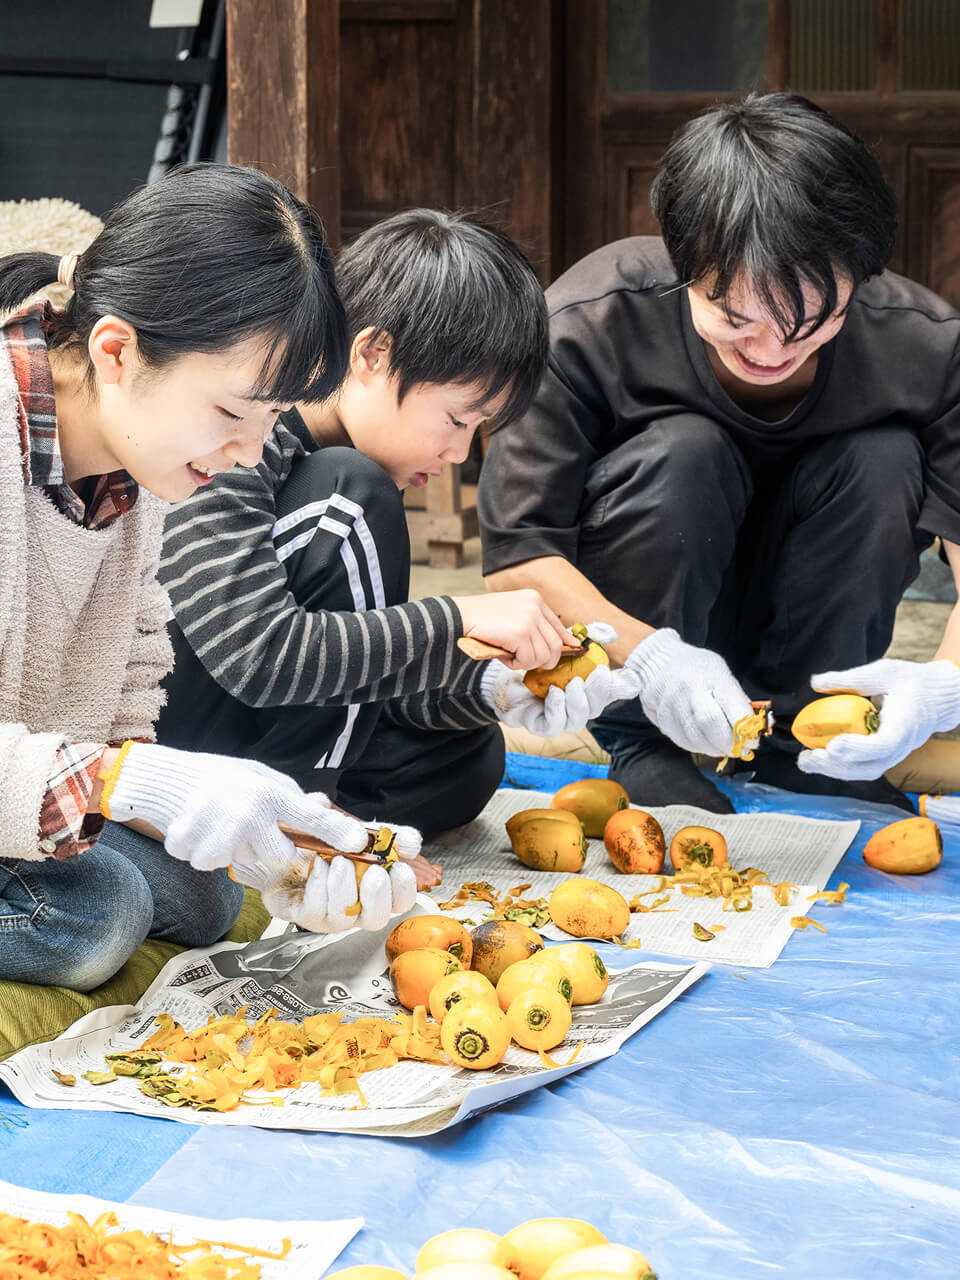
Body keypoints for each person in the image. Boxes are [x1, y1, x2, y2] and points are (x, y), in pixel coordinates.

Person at [0, 163, 421, 994]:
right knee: (98, 916)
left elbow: (121, 695)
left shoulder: (135, 472)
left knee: (205, 893)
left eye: (271, 421)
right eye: (233, 412)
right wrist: (128, 783)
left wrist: (273, 832)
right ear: (115, 350)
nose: (249, 453)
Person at [480, 92, 960, 815]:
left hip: (825, 625)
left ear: (859, 277)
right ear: (682, 260)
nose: (769, 352)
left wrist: (944, 683)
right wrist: (650, 658)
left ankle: (805, 753)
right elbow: (519, 553)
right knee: (684, 450)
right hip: (651, 630)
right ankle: (644, 745)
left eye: (807, 325)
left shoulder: (924, 344)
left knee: (883, 458)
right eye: (734, 321)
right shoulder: (589, 322)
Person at [156, 209, 639, 874]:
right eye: (455, 419)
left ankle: (309, 806)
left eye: (478, 429)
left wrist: (492, 683)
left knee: (469, 755)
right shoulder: (246, 431)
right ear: (371, 354)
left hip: (256, 727)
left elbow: (356, 675)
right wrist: (461, 617)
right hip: (163, 737)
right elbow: (257, 653)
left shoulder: (345, 476)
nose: (459, 452)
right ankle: (304, 822)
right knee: (349, 497)